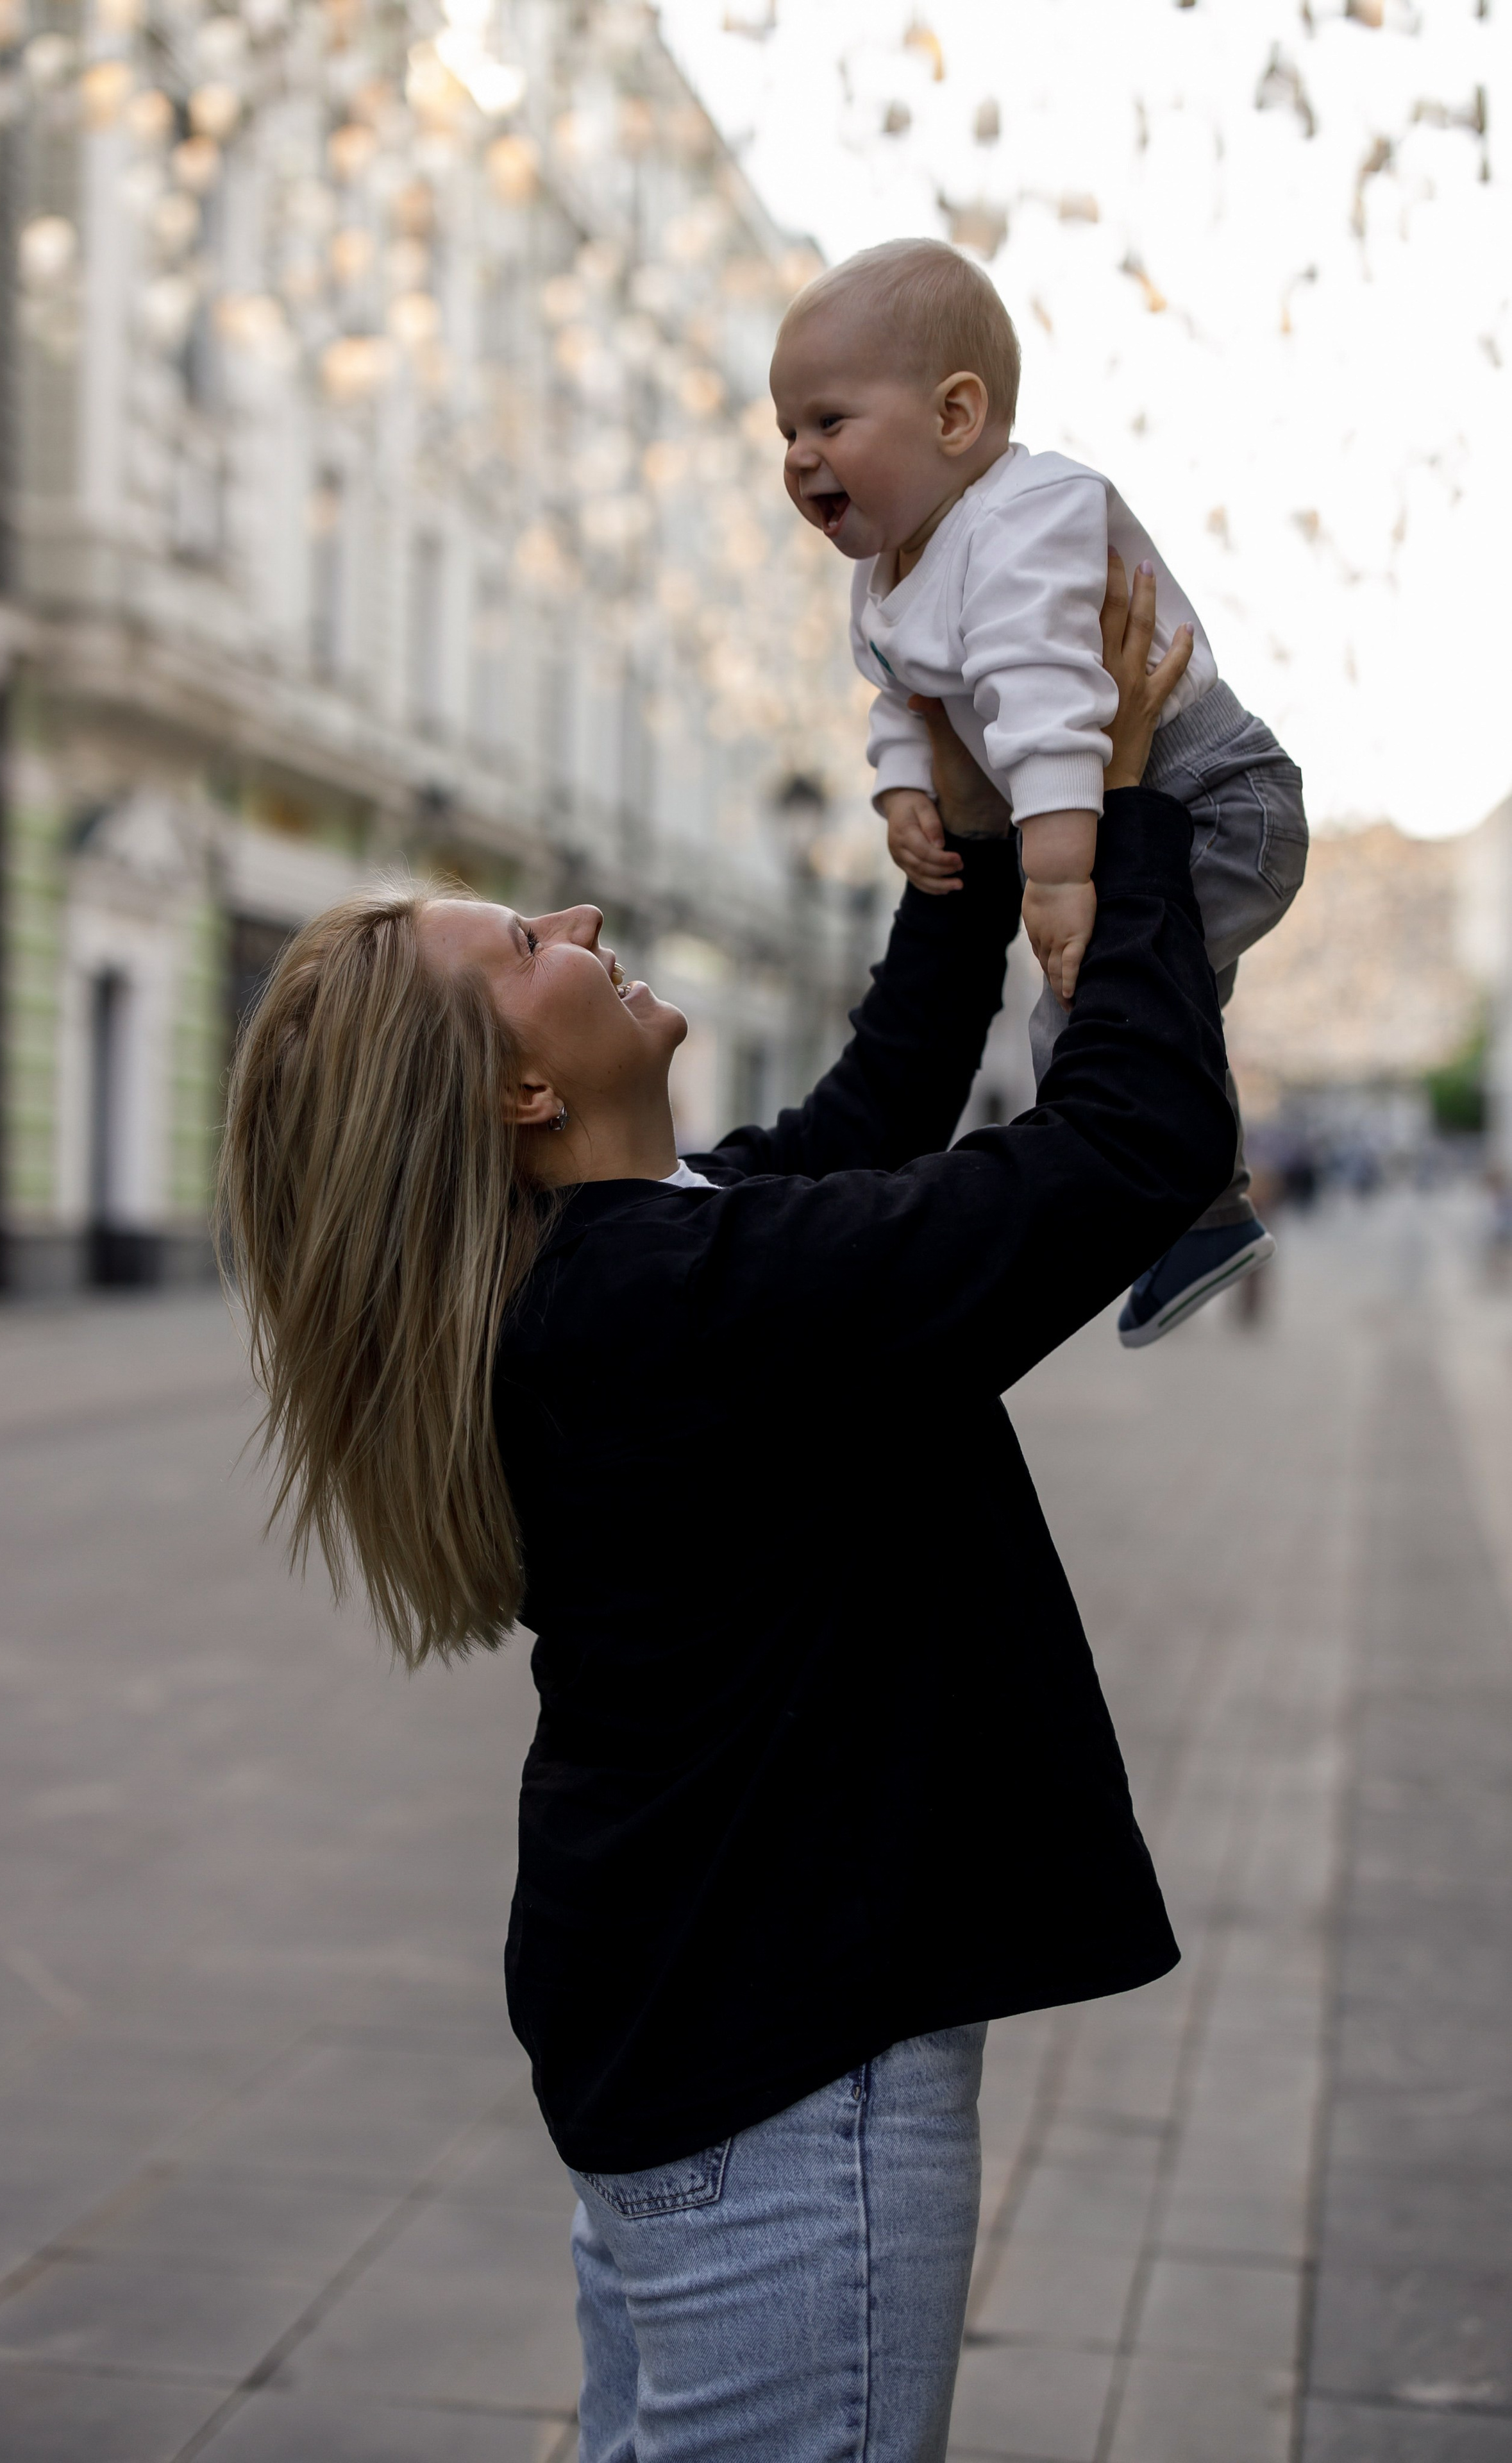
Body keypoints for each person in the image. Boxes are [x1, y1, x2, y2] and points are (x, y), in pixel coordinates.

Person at [218, 566, 1232, 2463]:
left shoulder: (642, 1265)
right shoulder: (664, 1311)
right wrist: (1131, 796)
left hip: (701, 2039)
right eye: (528, 940)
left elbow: (878, 1108)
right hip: (786, 2085)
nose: (581, 917)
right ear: (523, 1085)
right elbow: (1129, 1154)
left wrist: (976, 846)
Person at [769, 235, 1310, 1346]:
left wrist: (1059, 878)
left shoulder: (1022, 521)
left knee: (1088, 1012)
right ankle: (1206, 1215)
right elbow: (902, 698)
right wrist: (902, 792)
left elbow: (1056, 707)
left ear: (955, 418)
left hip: (1214, 797)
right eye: (785, 431)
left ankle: (1200, 1222)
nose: (798, 456)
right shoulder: (890, 576)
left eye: (828, 422)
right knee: (1121, 1009)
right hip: (1120, 815)